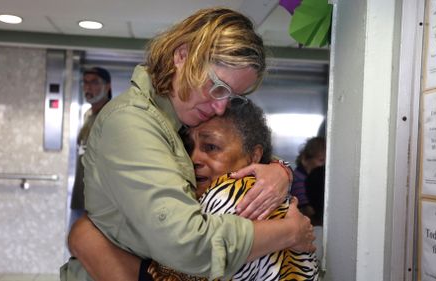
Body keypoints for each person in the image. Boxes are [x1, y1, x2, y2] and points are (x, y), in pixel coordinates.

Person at [61, 7, 315, 281]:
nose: (220, 107)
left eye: (231, 97)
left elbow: (243, 151)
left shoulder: (180, 118)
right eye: (217, 86)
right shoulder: (131, 123)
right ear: (183, 56)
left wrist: (279, 169)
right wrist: (290, 232)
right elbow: (190, 246)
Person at [69, 100, 319, 281]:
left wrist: (88, 241)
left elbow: (191, 260)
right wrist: (281, 168)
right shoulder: (262, 188)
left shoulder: (236, 198)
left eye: (211, 147)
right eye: (189, 147)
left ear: (253, 155)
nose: (194, 158)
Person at [69, 67, 113, 228]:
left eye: (94, 82)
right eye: (85, 82)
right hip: (80, 198)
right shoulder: (88, 115)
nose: (88, 87)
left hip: (98, 204)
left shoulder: (112, 116)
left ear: (107, 86)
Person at [290, 137, 326, 218]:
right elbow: (307, 210)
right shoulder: (298, 180)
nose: (325, 165)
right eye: (321, 160)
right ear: (305, 159)